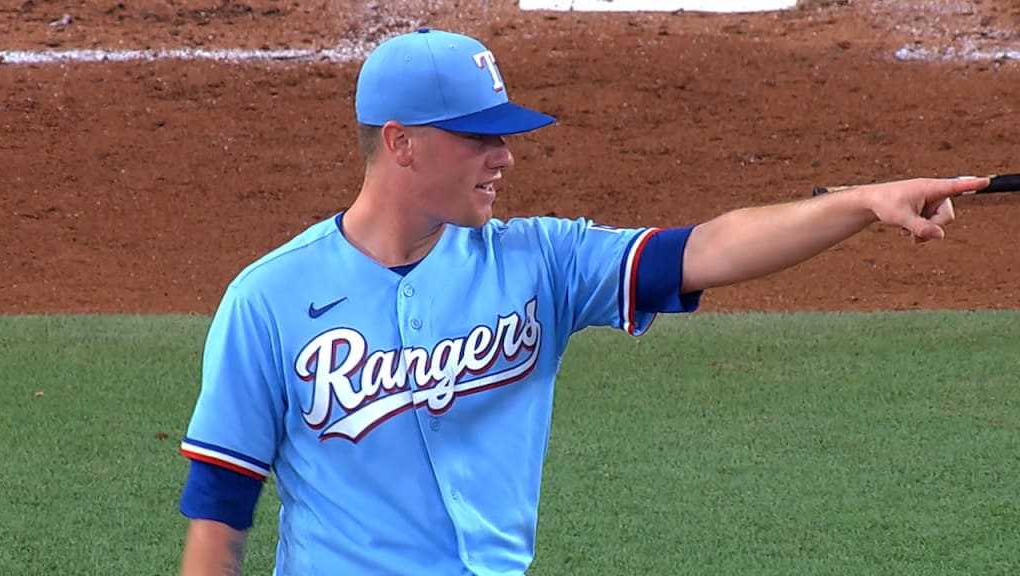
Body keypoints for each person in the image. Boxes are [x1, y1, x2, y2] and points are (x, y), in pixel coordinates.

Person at [177, 28, 987, 576]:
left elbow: (708, 248)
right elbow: (221, 505)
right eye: (480, 138)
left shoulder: (540, 262)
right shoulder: (270, 299)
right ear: (401, 143)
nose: (504, 158)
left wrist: (863, 204)